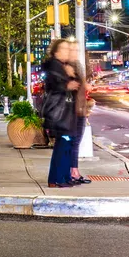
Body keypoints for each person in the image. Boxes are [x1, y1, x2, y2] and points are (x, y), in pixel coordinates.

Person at [40, 39, 79, 189]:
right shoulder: (54, 65)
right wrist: (68, 83)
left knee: (66, 145)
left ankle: (63, 176)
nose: (67, 51)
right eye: (63, 49)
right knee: (62, 146)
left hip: (65, 113)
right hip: (59, 113)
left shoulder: (63, 66)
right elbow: (54, 85)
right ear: (56, 52)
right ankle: (56, 179)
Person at [68, 45, 92, 185]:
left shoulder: (77, 68)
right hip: (74, 110)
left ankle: (73, 171)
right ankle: (73, 172)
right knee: (75, 142)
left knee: (75, 142)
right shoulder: (70, 69)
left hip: (79, 109)